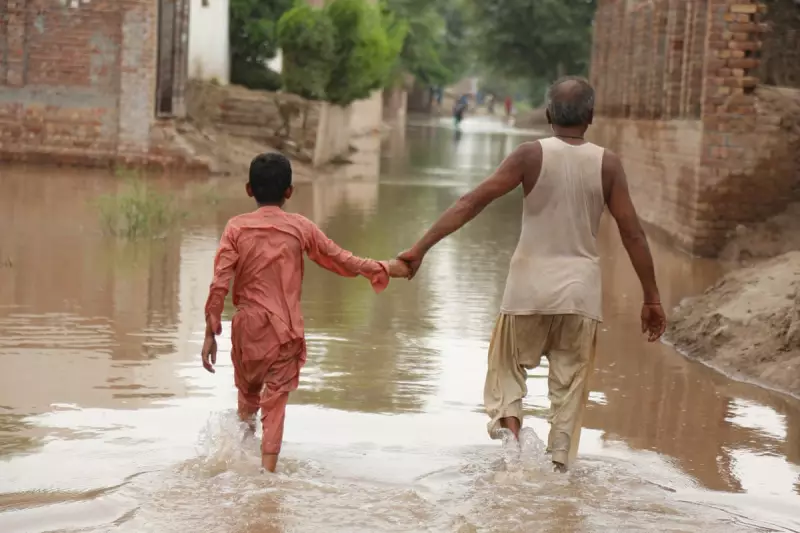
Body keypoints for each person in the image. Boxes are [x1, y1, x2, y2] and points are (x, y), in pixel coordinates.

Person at [398, 77, 666, 473]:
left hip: (527, 289)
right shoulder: (607, 163)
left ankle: (515, 449)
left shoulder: (529, 155)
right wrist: (651, 298)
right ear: (591, 117)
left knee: (506, 369)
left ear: (547, 115)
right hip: (580, 295)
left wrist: (420, 249)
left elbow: (472, 201)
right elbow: (632, 234)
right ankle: (557, 468)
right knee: (570, 389)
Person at [201, 152, 410, 473]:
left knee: (248, 401)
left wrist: (210, 332)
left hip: (246, 329)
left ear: (248, 189)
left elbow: (220, 281)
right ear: (289, 192)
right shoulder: (300, 228)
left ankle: (238, 463)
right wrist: (384, 268)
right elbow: (341, 260)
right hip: (283, 332)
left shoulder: (235, 228)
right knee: (275, 407)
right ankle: (266, 480)